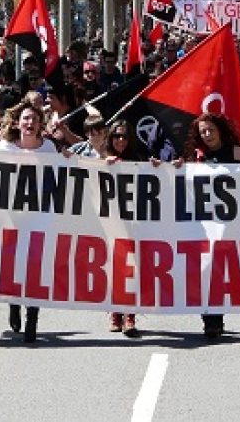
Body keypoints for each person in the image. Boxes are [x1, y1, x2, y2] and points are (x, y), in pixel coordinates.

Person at [0, 101, 71, 341]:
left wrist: (69, 159)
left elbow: (64, 174)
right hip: (10, 222)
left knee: (35, 269)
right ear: (17, 123)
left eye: (34, 120)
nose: (29, 123)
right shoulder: (4, 148)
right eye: (25, 119)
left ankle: (32, 320)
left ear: (40, 125)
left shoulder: (49, 149)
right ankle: (14, 304)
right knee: (12, 267)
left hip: (39, 221)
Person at [179, 112, 240, 338]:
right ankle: (211, 319)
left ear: (220, 130)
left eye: (211, 130)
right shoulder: (196, 157)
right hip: (206, 224)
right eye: (203, 132)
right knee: (208, 268)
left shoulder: (236, 153)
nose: (207, 135)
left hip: (234, 222)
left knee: (232, 269)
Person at [102, 119, 147, 337]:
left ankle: (130, 315)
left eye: (124, 136)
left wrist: (157, 167)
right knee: (112, 267)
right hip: (108, 223)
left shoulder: (138, 160)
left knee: (131, 268)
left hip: (132, 222)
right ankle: (114, 313)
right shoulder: (100, 159)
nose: (120, 140)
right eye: (116, 136)